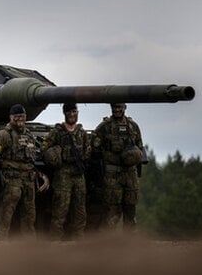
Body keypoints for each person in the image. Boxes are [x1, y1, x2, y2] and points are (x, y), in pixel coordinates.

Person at [0, 104, 49, 240]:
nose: (19, 119)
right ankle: (2, 243)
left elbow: (32, 160)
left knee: (29, 215)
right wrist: (9, 166)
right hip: (12, 181)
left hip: (29, 180)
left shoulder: (29, 135)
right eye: (16, 117)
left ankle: (28, 245)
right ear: (11, 117)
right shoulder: (4, 135)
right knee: (7, 213)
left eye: (22, 116)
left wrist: (40, 175)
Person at [42, 102, 90, 240]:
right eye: (69, 112)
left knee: (80, 209)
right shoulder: (57, 132)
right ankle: (56, 240)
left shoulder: (82, 133)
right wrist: (56, 155)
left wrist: (84, 158)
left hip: (79, 174)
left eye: (74, 112)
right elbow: (45, 150)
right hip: (63, 173)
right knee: (60, 208)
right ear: (65, 114)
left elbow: (88, 150)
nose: (72, 115)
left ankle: (78, 239)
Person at [92, 103, 144, 231]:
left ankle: (129, 240)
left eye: (120, 107)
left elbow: (140, 145)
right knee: (112, 208)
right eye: (114, 107)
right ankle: (109, 242)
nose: (117, 110)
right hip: (112, 173)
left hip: (130, 173)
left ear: (125, 107)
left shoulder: (133, 126)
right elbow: (94, 147)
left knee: (130, 206)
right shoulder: (104, 127)